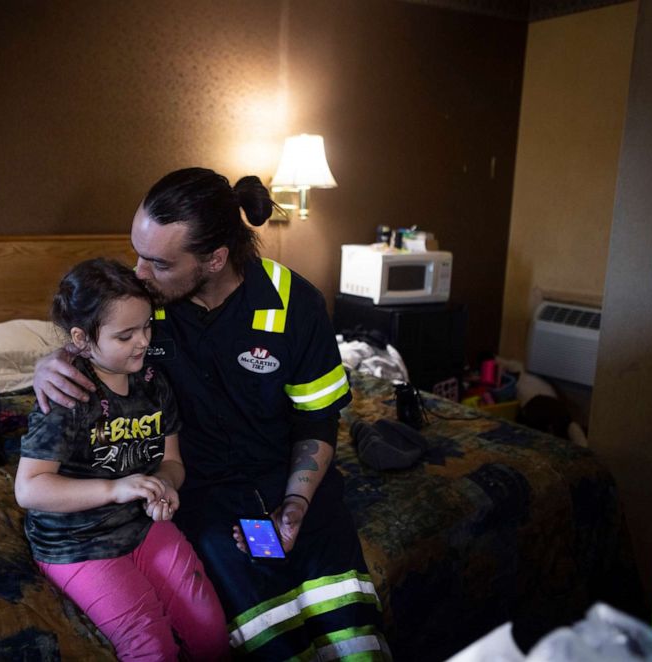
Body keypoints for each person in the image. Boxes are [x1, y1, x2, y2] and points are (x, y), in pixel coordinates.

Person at [34, 168, 388, 660]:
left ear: (215, 259)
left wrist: (296, 504)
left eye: (157, 261)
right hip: (203, 494)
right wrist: (53, 361)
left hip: (294, 484)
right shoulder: (141, 306)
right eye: (136, 252)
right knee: (271, 634)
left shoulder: (295, 304)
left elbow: (317, 419)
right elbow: (92, 335)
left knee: (354, 637)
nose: (139, 272)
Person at [14, 257, 230, 661]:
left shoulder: (154, 383)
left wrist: (163, 485)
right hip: (75, 542)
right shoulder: (67, 395)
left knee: (212, 634)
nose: (144, 341)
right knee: (153, 647)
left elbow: (172, 461)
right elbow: (29, 488)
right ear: (80, 338)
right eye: (125, 335)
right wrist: (116, 489)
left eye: (147, 326)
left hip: (142, 526)